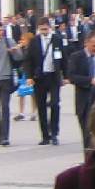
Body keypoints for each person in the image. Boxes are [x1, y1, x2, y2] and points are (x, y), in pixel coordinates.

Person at [25, 17, 68, 145]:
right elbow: (28, 60)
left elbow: (64, 58)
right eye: (41, 29)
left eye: (46, 28)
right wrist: (29, 76)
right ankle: (45, 135)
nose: (44, 31)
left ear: (50, 28)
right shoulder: (34, 41)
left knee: (55, 104)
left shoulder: (57, 39)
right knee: (41, 106)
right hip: (40, 77)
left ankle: (54, 132)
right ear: (38, 29)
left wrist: (66, 76)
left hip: (53, 77)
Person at [67, 29, 95, 145]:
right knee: (87, 134)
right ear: (86, 43)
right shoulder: (76, 57)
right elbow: (71, 76)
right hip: (84, 99)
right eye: (94, 46)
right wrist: (91, 81)